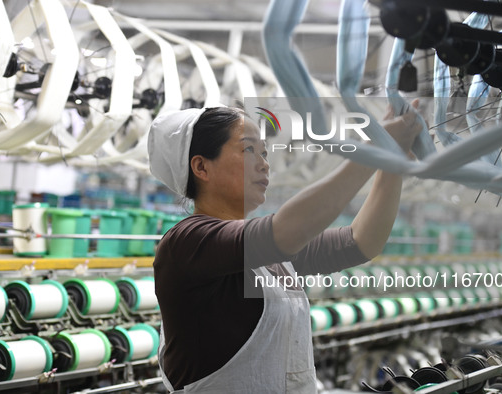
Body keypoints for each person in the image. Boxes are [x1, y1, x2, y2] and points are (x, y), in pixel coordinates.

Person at [147, 102, 423, 393]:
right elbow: (287, 230)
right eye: (249, 150)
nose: (264, 163)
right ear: (202, 166)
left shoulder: (267, 256)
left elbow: (360, 242)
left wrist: (391, 166)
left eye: (264, 153)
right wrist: (373, 149)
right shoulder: (188, 241)